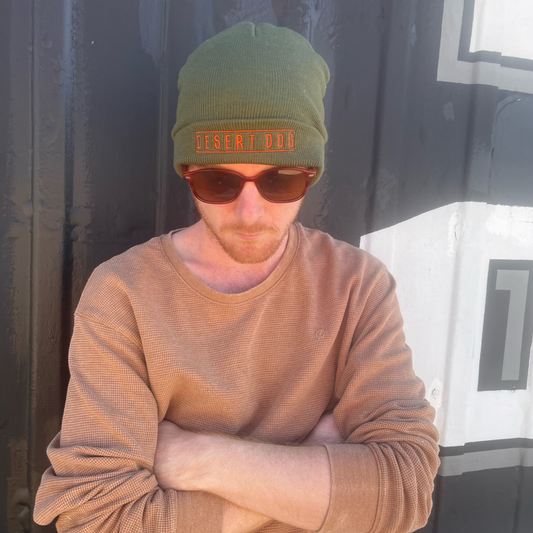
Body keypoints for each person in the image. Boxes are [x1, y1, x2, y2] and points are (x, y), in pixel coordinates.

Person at [34, 22, 439, 533]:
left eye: (280, 178)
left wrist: (197, 457)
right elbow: (98, 517)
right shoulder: (123, 294)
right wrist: (312, 470)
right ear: (187, 171)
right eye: (219, 179)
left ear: (311, 172)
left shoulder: (356, 287)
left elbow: (405, 488)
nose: (251, 212)